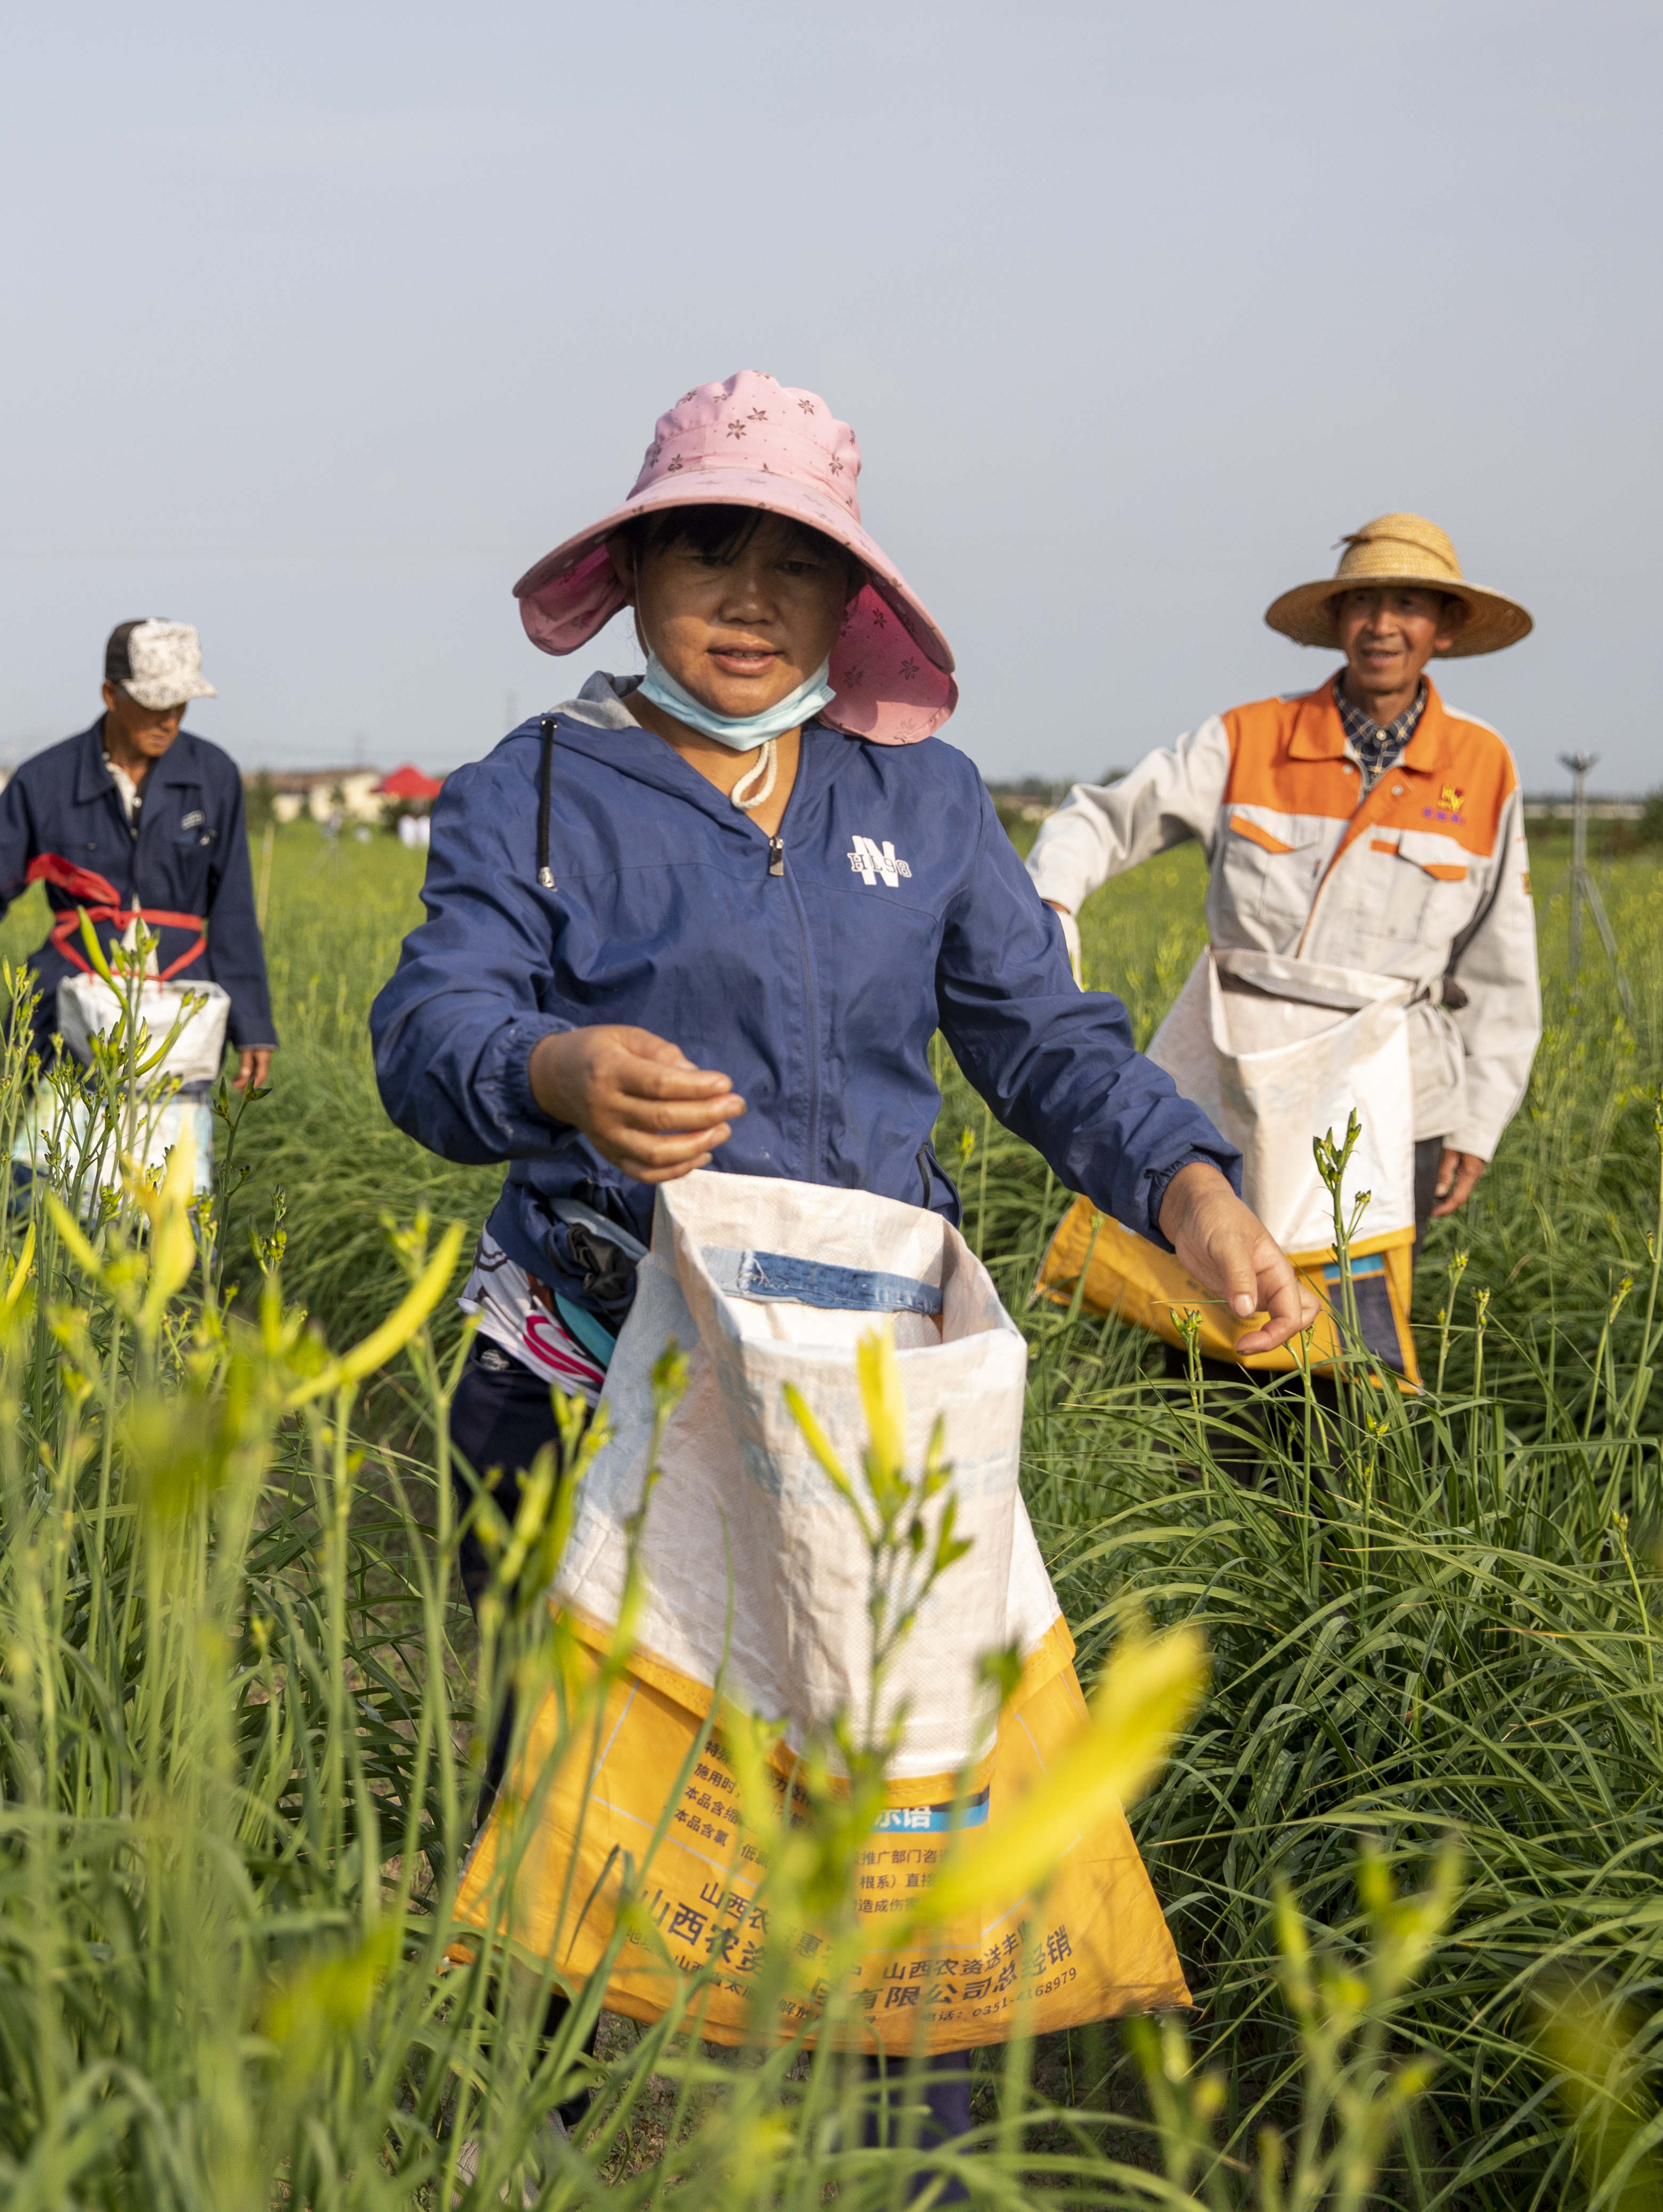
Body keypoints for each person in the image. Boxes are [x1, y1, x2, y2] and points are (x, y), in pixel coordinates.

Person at [370, 371, 1314, 2157]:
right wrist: (551, 1069)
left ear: (847, 600)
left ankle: (922, 2150)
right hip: (588, 1350)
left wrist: (1186, 1187)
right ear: (634, 572)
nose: (743, 599)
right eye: (702, 551)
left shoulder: (923, 801)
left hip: (859, 1394)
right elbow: (434, 1026)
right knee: (579, 1778)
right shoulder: (540, 792)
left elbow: (1038, 1034)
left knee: (907, 1781)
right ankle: (557, 2129)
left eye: (790, 564)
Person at [1025, 515, 1542, 1257]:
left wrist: (1477, 1123)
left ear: (1446, 628)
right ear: (1336, 619)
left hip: (1394, 1097)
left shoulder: (1482, 764)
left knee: (1347, 1333)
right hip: (1234, 1086)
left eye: (1408, 604)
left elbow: (1503, 968)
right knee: (1194, 1308)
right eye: (1363, 602)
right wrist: (1050, 906)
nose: (1382, 625)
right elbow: (1103, 819)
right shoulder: (1248, 737)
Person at [0, 619, 276, 1090]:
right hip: (70, 997)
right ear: (111, 694)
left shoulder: (214, 776)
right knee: (58, 1154)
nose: (171, 720)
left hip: (181, 1000)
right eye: (155, 702)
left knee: (172, 1157)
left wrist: (252, 1023)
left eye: (181, 703)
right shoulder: (47, 780)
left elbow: (234, 910)